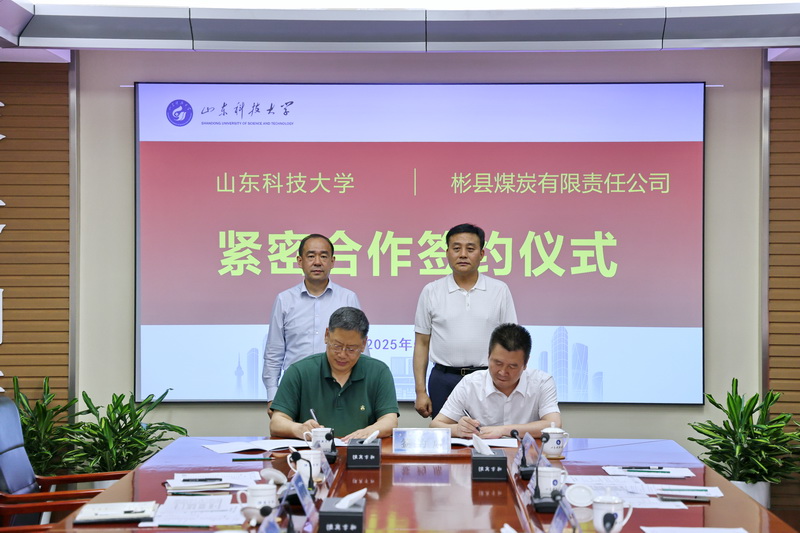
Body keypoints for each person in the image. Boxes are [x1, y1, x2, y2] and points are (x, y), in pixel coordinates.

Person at [413, 223, 517, 419]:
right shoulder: (431, 291)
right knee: (445, 435)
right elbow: (422, 343)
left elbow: (511, 343)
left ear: (482, 254)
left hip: (487, 379)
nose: (462, 255)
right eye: (456, 248)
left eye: (470, 249)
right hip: (444, 379)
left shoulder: (499, 290)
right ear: (447, 252)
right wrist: (420, 391)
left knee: (490, 435)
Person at [262, 233, 364, 407]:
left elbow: (360, 349)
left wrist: (361, 392)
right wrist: (272, 395)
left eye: (323, 256)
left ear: (332, 261)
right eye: (311, 256)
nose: (317, 262)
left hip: (339, 389)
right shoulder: (284, 300)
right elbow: (274, 352)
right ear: (300, 261)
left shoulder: (347, 298)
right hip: (295, 388)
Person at [269, 306, 399, 441]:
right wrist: (299, 429)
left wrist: (370, 431)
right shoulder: (299, 372)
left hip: (360, 451)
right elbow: (276, 422)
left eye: (351, 349)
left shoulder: (379, 372)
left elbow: (390, 420)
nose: (342, 354)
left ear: (363, 344)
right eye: (337, 346)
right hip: (313, 452)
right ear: (326, 335)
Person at [430, 323, 560, 438]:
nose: (503, 372)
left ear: (525, 363)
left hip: (526, 455)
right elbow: (435, 425)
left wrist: (502, 430)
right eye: (498, 363)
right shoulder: (470, 384)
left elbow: (554, 424)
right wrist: (457, 429)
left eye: (512, 366)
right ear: (488, 356)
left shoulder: (542, 382)